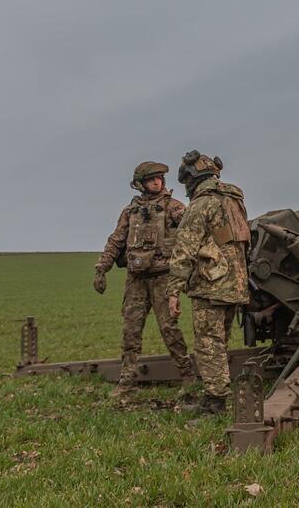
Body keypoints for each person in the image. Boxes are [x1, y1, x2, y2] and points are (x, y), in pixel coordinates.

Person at [94, 161, 194, 400]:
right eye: (151, 179)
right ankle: (127, 382)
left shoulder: (173, 207)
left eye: (159, 178)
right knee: (131, 331)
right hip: (136, 279)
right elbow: (116, 240)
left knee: (169, 330)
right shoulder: (130, 212)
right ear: (140, 184)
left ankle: (188, 378)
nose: (157, 182)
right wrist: (101, 268)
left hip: (163, 278)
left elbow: (192, 233)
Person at [167, 151, 250, 414]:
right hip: (236, 284)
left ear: (191, 178)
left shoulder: (202, 204)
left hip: (211, 284)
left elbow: (184, 249)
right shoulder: (234, 201)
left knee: (208, 344)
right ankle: (214, 394)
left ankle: (215, 404)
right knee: (219, 341)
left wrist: (173, 290)